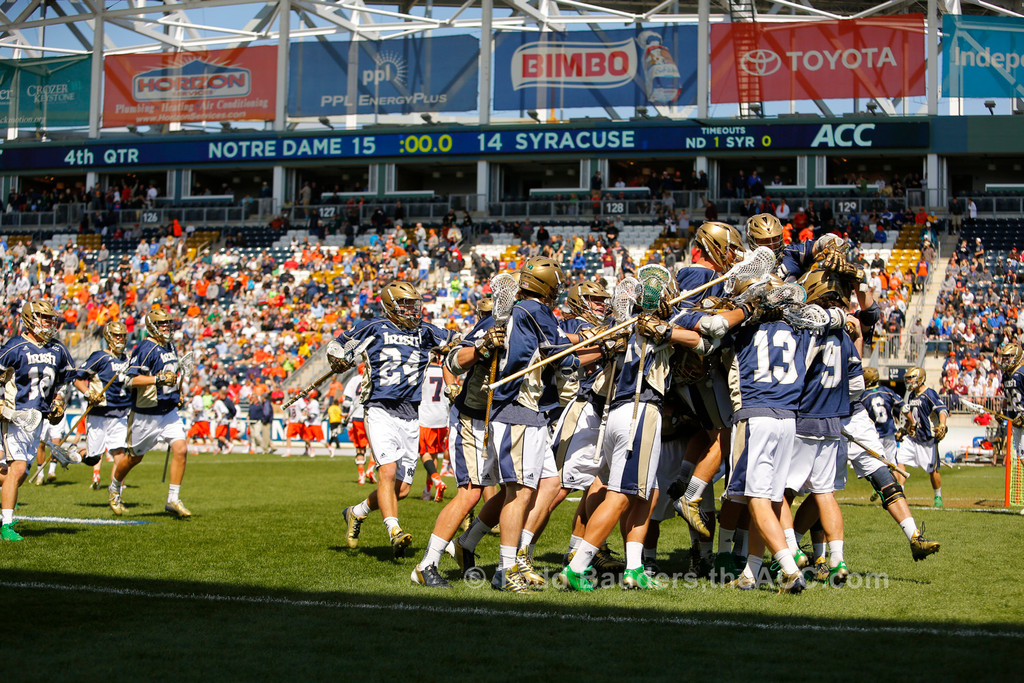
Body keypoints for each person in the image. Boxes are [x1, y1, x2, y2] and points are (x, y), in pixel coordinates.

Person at [340, 281, 456, 558]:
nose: (412, 309)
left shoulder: (425, 331)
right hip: (379, 407)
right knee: (387, 471)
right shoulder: (374, 327)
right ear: (391, 306)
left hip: (410, 412)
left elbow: (455, 340)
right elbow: (339, 345)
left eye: (414, 304)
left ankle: (356, 512)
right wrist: (339, 357)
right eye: (406, 304)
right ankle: (394, 530)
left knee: (401, 490)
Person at [0, 301, 76, 541]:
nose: (48, 322)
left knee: (17, 474)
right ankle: (7, 525)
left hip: (38, 420)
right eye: (43, 317)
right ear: (29, 318)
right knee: (18, 469)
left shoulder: (57, 349)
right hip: (15, 416)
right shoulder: (15, 346)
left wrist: (58, 401)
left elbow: (61, 382)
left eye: (49, 318)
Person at [111, 307, 193, 518]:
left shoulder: (170, 346)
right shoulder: (145, 348)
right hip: (146, 413)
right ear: (152, 326)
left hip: (168, 411)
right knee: (133, 458)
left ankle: (173, 499)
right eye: (162, 324)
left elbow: (172, 377)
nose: (167, 328)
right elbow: (130, 380)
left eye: (168, 324)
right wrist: (157, 379)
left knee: (181, 449)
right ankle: (114, 488)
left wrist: (178, 394)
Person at [73, 320, 132, 490]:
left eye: (122, 336)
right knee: (93, 458)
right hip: (99, 413)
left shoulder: (128, 360)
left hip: (120, 413)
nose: (120, 339)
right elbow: (78, 377)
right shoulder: (100, 356)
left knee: (120, 454)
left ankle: (115, 492)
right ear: (108, 337)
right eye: (116, 336)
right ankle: (74, 452)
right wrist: (88, 393)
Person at [897, 367, 948, 507]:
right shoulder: (912, 395)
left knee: (933, 471)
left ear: (919, 378)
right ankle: (900, 493)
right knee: (899, 460)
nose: (908, 381)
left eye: (910, 378)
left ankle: (938, 496)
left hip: (927, 439)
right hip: (913, 438)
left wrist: (942, 425)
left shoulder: (929, 394)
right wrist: (904, 429)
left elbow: (942, 410)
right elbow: (912, 417)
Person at [418, 355, 450, 502]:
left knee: (424, 453)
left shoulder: (422, 371)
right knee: (435, 454)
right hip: (442, 417)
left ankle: (437, 481)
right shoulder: (447, 370)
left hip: (426, 417)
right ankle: (427, 491)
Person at [341, 363, 374, 483]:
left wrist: (343, 418)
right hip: (371, 416)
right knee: (374, 447)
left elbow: (346, 402)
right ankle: (370, 469)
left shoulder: (354, 380)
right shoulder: (372, 378)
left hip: (356, 417)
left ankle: (361, 476)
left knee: (360, 448)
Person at [283, 390, 306, 458]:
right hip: (292, 421)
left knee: (304, 437)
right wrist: (286, 419)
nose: (290, 394)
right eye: (289, 393)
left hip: (299, 421)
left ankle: (309, 448)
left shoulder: (299, 399)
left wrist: (302, 417)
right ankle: (288, 452)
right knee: (288, 436)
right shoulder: (289, 401)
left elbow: (304, 409)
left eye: (291, 393)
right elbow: (287, 412)